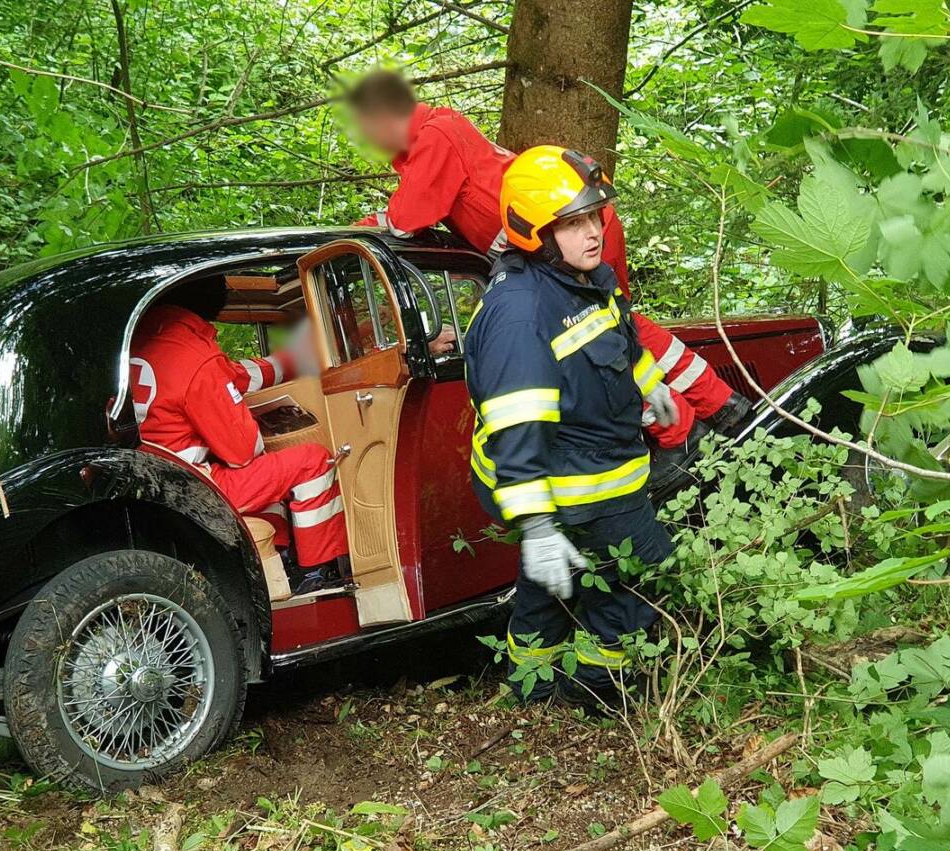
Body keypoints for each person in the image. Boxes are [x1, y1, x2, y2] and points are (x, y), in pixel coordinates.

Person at [346, 69, 750, 434]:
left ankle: (689, 425)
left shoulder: (435, 137)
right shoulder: (439, 130)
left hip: (569, 231)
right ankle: (710, 409)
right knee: (611, 324)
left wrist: (366, 227)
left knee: (606, 327)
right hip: (565, 232)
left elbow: (405, 220)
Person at [466, 145, 690, 697]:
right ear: (535, 231)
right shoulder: (521, 316)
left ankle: (530, 690)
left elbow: (617, 342)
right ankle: (597, 696)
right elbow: (517, 434)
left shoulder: (583, 276)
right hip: (571, 483)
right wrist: (537, 527)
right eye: (572, 223)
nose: (592, 232)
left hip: (585, 467)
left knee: (552, 584)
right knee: (640, 583)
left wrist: (649, 383)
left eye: (594, 215)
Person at [128, 277, 348, 592]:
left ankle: (277, 562)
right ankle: (318, 573)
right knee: (313, 462)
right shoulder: (195, 355)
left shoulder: (143, 339)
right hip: (196, 487)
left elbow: (235, 376)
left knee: (268, 478)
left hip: (155, 482)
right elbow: (244, 452)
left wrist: (296, 358)